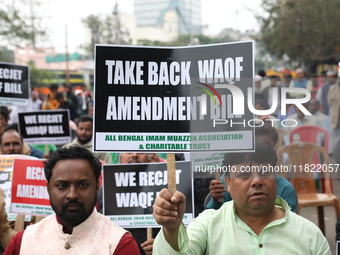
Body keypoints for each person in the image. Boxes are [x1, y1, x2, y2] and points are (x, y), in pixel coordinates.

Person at [152, 140, 331, 254]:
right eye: (244, 174)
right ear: (227, 182)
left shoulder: (309, 234)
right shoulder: (207, 225)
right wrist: (171, 229)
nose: (256, 181)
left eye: (264, 172)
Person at [3, 145, 140, 254]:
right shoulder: (24, 241)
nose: (72, 195)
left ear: (97, 186)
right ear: (48, 188)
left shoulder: (119, 244)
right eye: (62, 186)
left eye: (83, 185)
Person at [206, 126, 297, 212]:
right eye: (244, 175)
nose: (256, 181)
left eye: (264, 147)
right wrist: (216, 201)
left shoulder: (285, 189)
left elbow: (290, 224)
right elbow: (211, 219)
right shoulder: (226, 183)